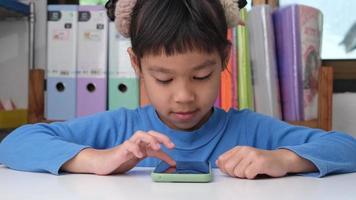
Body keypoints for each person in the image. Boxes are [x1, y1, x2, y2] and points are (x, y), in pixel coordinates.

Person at [1, 0, 356, 179]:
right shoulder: (119, 130)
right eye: (164, 79)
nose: (184, 96)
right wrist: (98, 159)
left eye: (201, 76)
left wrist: (283, 159)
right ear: (137, 66)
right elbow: (15, 143)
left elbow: (347, 147)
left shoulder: (251, 130)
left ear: (224, 58)